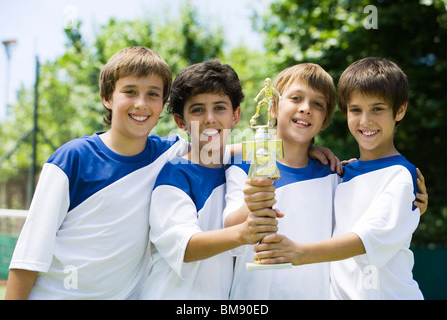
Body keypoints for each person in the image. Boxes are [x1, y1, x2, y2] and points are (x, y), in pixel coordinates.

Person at [5, 46, 189, 299]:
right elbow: (29, 255)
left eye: (153, 94)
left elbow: (218, 150)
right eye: (130, 91)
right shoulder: (73, 158)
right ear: (107, 97)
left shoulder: (170, 154)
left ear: (162, 105)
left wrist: (261, 139)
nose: (141, 104)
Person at [254, 57, 425, 299]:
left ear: (400, 111)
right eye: (356, 110)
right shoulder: (341, 173)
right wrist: (308, 150)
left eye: (377, 109)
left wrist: (299, 253)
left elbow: (364, 240)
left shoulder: (401, 175)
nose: (365, 120)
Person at [136, 60, 279, 299]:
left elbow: (281, 152)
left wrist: (315, 152)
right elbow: (186, 247)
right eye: (198, 110)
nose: (210, 118)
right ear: (180, 122)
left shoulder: (240, 167)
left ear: (236, 116)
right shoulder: (175, 175)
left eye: (220, 108)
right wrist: (244, 233)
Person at [224, 63, 341, 299]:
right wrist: (254, 202)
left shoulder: (333, 175)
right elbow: (229, 233)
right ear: (274, 108)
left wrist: (414, 203)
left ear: (324, 119)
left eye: (318, 104)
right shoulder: (244, 166)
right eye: (296, 98)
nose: (306, 108)